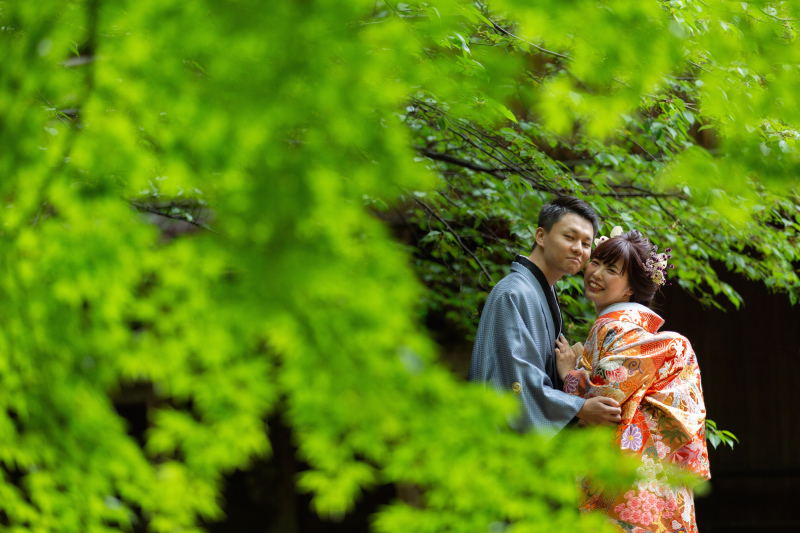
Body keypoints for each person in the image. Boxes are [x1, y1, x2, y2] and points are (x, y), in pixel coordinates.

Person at [555, 228, 710, 533]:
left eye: (611, 269)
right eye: (596, 262)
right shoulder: (634, 330)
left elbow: (606, 396)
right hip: (661, 475)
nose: (596, 273)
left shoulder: (613, 326)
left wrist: (569, 374)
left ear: (629, 290)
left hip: (631, 479)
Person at [468, 196, 622, 436]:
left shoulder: (538, 291)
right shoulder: (513, 293)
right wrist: (579, 407)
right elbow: (516, 380)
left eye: (585, 243)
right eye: (569, 237)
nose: (578, 249)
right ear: (541, 236)